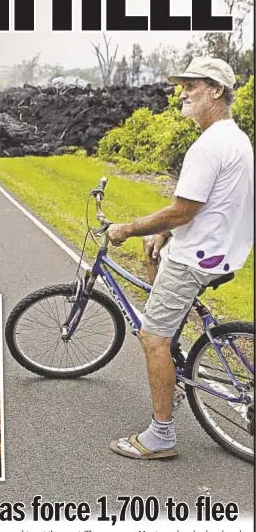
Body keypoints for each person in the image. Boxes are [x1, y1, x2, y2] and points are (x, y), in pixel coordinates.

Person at [106, 56, 254, 460]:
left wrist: (126, 228)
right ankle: (174, 358)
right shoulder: (235, 138)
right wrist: (162, 232)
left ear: (217, 90)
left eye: (192, 86)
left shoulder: (209, 146)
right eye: (183, 86)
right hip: (220, 250)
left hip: (195, 258)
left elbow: (183, 210)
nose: (183, 93)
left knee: (152, 337)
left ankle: (161, 436)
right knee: (156, 273)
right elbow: (206, 206)